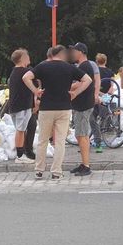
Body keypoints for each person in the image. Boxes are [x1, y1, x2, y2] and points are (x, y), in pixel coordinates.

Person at [22, 45, 92, 180]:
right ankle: (56, 171)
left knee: (43, 140)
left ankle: (39, 170)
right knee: (59, 141)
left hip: (46, 107)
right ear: (61, 54)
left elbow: (26, 77)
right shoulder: (70, 67)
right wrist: (75, 93)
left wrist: (35, 91)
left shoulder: (42, 66)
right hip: (64, 107)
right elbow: (87, 80)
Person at [69, 43, 101, 175]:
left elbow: (81, 82)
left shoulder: (84, 66)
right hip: (83, 104)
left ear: (81, 52)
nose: (72, 53)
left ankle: (86, 166)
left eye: (74, 51)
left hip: (82, 105)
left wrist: (69, 87)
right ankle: (84, 163)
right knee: (82, 135)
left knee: (82, 135)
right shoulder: (85, 65)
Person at [8, 49, 35, 164]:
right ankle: (20, 155)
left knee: (20, 130)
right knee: (20, 130)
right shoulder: (25, 72)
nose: (29, 57)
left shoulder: (14, 71)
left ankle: (21, 153)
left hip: (15, 106)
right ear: (22, 58)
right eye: (27, 55)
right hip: (22, 106)